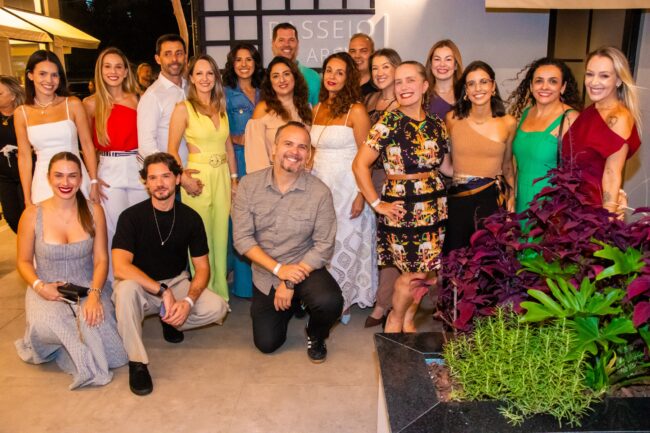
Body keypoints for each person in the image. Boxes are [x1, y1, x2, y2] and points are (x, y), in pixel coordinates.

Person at [112, 152, 229, 396]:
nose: (159, 183)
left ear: (177, 179)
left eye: (165, 176)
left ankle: (172, 320)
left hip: (176, 282)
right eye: (153, 178)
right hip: (140, 285)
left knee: (218, 308)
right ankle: (137, 362)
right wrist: (162, 291)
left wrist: (188, 302)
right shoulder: (131, 217)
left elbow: (203, 268)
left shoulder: (190, 218)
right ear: (146, 183)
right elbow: (121, 267)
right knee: (124, 292)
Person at [353, 61, 452, 333]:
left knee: (425, 272)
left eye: (410, 80)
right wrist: (377, 204)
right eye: (398, 82)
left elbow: (445, 167)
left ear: (424, 85)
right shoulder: (388, 122)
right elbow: (359, 165)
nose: (403, 87)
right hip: (401, 207)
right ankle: (395, 319)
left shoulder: (436, 124)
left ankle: (408, 320)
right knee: (413, 273)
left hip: (434, 207)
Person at [15, 152, 127, 389]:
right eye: (59, 176)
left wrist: (95, 295)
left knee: (115, 354)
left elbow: (101, 260)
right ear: (49, 178)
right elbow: (23, 262)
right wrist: (40, 287)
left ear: (80, 179)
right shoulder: (32, 214)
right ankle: (81, 357)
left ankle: (79, 342)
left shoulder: (94, 211)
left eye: (72, 176)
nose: (65, 182)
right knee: (50, 326)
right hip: (46, 287)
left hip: (87, 285)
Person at [233, 122, 343, 362]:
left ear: (309, 155)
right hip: (267, 271)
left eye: (302, 147)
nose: (295, 151)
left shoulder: (319, 192)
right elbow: (241, 238)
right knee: (267, 344)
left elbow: (324, 245)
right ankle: (295, 305)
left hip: (305, 267)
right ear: (274, 149)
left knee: (330, 302)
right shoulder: (249, 185)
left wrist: (289, 281)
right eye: (288, 144)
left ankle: (316, 334)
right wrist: (278, 270)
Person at [311, 52, 376, 325]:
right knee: (322, 243)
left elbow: (367, 157)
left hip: (348, 187)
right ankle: (322, 298)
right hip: (319, 185)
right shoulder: (317, 108)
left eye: (340, 72)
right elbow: (313, 151)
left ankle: (343, 301)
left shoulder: (356, 110)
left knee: (344, 244)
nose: (332, 76)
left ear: (348, 78)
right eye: (329, 70)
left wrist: (362, 195)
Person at [168, 55, 237, 301]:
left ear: (216, 78)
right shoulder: (183, 108)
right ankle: (203, 295)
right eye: (199, 73)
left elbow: (228, 147)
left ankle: (221, 295)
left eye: (210, 73)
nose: (205, 78)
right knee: (200, 238)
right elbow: (171, 150)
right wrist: (182, 178)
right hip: (198, 176)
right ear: (191, 78)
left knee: (221, 236)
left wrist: (234, 178)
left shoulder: (220, 108)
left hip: (222, 177)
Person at [443, 61, 516, 253]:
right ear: (465, 91)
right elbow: (443, 160)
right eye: (471, 83)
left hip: (492, 202)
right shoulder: (452, 119)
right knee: (457, 260)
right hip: (459, 201)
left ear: (493, 86)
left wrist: (512, 200)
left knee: (491, 261)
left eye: (484, 82)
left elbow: (508, 167)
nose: (478, 88)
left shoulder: (508, 123)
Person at [14, 50, 101, 207]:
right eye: (42, 74)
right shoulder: (21, 113)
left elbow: (87, 144)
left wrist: (94, 181)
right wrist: (27, 198)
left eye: (54, 75)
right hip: (43, 182)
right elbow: (24, 157)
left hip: (75, 176)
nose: (49, 80)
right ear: (30, 75)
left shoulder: (73, 104)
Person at [83, 47, 148, 253]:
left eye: (118, 67)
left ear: (126, 71)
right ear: (100, 71)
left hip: (138, 166)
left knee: (142, 225)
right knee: (114, 229)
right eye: (108, 66)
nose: (113, 71)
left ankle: (143, 272)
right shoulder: (90, 104)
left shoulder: (139, 99)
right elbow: (86, 146)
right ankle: (115, 273)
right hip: (109, 169)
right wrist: (93, 178)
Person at [562, 46, 641, 215]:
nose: (594, 82)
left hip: (593, 213)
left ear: (618, 80)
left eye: (604, 76)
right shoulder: (590, 112)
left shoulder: (618, 117)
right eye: (590, 74)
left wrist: (607, 220)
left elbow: (612, 173)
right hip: (571, 205)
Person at [508, 58, 581, 213]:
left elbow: (580, 171)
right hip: (521, 200)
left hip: (551, 206)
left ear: (563, 87)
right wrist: (512, 194)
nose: (544, 87)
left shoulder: (571, 118)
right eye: (539, 81)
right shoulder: (526, 113)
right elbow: (517, 163)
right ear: (531, 86)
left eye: (553, 81)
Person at [362, 48, 402, 327]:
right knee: (373, 240)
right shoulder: (369, 100)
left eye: (385, 66)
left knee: (390, 242)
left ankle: (384, 303)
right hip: (368, 176)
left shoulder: (404, 101)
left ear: (396, 68)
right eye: (375, 68)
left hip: (393, 179)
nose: (379, 73)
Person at [223, 43, 263, 298]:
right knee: (240, 223)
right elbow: (219, 130)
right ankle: (244, 286)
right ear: (232, 64)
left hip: (262, 162)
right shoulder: (226, 94)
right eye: (239, 60)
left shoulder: (264, 92)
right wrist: (237, 139)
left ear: (256, 63)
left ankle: (264, 282)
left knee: (261, 223)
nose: (244, 64)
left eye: (249, 59)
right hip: (237, 161)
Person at [137, 34, 201, 196]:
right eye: (168, 54)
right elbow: (146, 146)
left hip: (199, 172)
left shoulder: (193, 88)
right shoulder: (152, 96)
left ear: (185, 56)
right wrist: (179, 176)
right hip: (172, 182)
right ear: (158, 59)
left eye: (179, 53)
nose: (174, 59)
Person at [244, 56, 312, 174]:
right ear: (270, 82)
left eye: (286, 74)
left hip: (302, 177)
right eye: (275, 76)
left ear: (295, 77)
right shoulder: (263, 109)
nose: (282, 80)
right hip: (272, 178)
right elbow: (255, 158)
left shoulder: (307, 108)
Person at [0, 76, 26, 233]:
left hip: (25, 174)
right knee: (11, 216)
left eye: (0, 93)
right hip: (4, 176)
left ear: (13, 95)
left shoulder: (25, 114)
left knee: (28, 213)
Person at [271, 22, 320, 106]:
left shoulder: (313, 77)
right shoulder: (264, 77)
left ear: (297, 43)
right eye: (281, 40)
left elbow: (318, 111)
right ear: (273, 44)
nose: (286, 44)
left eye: (291, 40)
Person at [424, 40, 463, 120]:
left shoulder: (467, 94)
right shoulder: (423, 96)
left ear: (456, 65)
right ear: (430, 64)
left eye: (448, 59)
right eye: (437, 59)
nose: (442, 64)